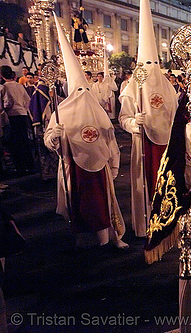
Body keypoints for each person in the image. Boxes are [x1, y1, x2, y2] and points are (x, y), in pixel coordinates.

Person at [46, 15, 128, 249]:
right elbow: (50, 138)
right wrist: (53, 137)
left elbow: (110, 139)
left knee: (104, 203)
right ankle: (83, 237)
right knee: (80, 203)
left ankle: (111, 236)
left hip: (99, 167)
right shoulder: (61, 111)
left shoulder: (98, 111)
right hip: (75, 166)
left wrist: (113, 165)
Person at [119, 0, 178, 238]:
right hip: (143, 144)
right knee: (145, 185)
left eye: (155, 63)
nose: (152, 68)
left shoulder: (168, 87)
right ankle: (145, 226)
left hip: (166, 146)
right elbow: (123, 118)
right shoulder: (132, 88)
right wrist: (134, 123)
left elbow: (176, 114)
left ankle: (167, 221)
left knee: (166, 186)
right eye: (147, 64)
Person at [0, 65, 35, 176]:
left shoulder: (4, 87)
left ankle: (20, 168)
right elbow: (27, 100)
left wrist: (7, 109)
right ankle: (30, 166)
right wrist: (24, 109)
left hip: (12, 115)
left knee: (15, 142)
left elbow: (8, 102)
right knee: (24, 140)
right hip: (22, 114)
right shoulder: (19, 86)